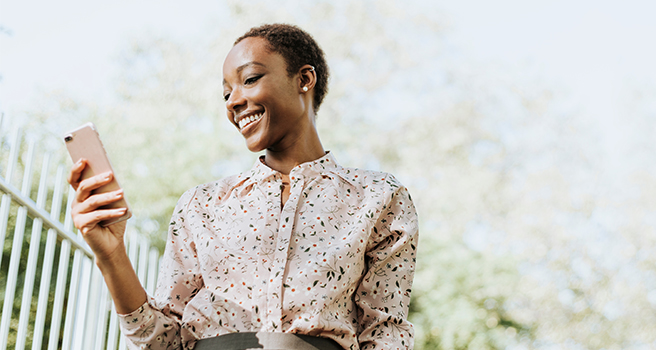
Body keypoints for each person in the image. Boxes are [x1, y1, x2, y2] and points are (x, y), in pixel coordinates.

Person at [68, 24, 418, 350]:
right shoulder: (202, 205)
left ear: (305, 79)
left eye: (249, 79)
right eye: (225, 94)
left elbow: (386, 334)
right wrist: (111, 256)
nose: (233, 101)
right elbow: (163, 341)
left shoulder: (377, 197)